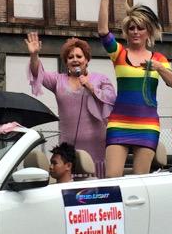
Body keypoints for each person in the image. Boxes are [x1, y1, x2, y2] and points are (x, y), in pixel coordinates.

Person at [94, 0, 172, 177]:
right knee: (112, 178)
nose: (135, 31)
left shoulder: (159, 57)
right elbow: (103, 31)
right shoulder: (119, 53)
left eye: (140, 28)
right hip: (119, 124)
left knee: (140, 181)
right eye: (131, 28)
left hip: (146, 125)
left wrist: (158, 67)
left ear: (148, 32)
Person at [26, 33, 117, 177]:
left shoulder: (100, 79)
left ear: (87, 60)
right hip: (68, 148)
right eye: (70, 57)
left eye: (79, 56)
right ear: (66, 62)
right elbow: (38, 73)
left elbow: (111, 99)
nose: (75, 60)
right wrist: (34, 55)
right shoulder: (58, 80)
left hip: (97, 146)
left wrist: (91, 87)